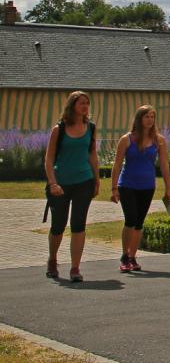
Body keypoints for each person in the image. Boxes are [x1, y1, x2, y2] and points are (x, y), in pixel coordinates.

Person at [44, 91, 100, 282]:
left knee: (78, 224)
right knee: (58, 225)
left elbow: (92, 155)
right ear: (72, 105)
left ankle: (75, 268)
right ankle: (52, 259)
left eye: (87, 103)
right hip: (60, 183)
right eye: (81, 103)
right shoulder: (59, 129)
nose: (85, 106)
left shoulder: (91, 128)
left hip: (84, 181)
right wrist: (53, 183)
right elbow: (49, 159)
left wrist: (97, 180)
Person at [110, 105, 170, 272]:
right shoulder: (127, 139)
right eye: (146, 117)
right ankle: (124, 256)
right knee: (130, 219)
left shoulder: (159, 140)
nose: (150, 120)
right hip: (127, 184)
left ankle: (132, 256)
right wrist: (114, 188)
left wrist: (168, 187)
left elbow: (164, 164)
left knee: (139, 222)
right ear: (139, 119)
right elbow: (117, 164)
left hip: (147, 185)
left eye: (152, 117)